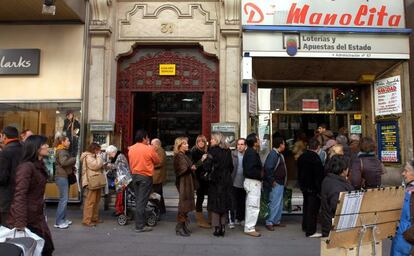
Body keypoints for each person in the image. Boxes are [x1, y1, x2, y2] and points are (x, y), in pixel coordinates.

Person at [7, 135, 54, 255]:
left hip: (36, 215)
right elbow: (20, 195)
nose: (47, 146)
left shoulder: (38, 165)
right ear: (37, 147)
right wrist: (20, 223)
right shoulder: (26, 167)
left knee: (45, 247)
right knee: (39, 249)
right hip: (27, 217)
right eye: (44, 144)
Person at [128, 129, 160, 233]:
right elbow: (157, 161)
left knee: (138, 200)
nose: (148, 140)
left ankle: (140, 222)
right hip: (145, 177)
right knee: (142, 201)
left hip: (134, 176)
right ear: (143, 138)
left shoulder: (131, 148)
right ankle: (140, 226)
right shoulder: (148, 149)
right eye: (147, 138)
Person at [203, 132, 233, 237]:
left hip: (215, 181)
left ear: (217, 140)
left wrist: (204, 160)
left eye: (212, 139)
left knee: (215, 205)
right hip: (226, 181)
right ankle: (223, 227)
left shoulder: (212, 151)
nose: (210, 141)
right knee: (224, 204)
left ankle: (216, 228)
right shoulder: (228, 151)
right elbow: (231, 167)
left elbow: (207, 167)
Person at [297, 138, 324, 238]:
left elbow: (299, 172)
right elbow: (319, 175)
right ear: (317, 147)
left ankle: (305, 226)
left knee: (306, 207)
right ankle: (311, 231)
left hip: (304, 186)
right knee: (313, 210)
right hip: (313, 188)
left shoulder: (302, 157)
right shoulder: (316, 158)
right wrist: (320, 189)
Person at [320, 155, 353, 237]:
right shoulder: (336, 185)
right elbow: (337, 207)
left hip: (331, 225)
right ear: (343, 170)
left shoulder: (330, 179)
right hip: (336, 228)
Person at [173, 137, 197, 237]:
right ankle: (179, 227)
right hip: (183, 182)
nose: (187, 145)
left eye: (187, 143)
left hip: (187, 182)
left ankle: (182, 226)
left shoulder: (184, 155)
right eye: (185, 144)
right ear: (179, 146)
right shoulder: (179, 156)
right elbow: (181, 170)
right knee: (183, 204)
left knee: (185, 204)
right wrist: (191, 168)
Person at [0, 126, 23, 226]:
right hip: (21, 193)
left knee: (6, 227)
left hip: (7, 195)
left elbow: (2, 177)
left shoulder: (5, 152)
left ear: (4, 136)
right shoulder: (24, 149)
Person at [390, 160, 414, 255]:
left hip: (406, 238)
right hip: (401, 236)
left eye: (406, 171)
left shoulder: (410, 192)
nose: (403, 173)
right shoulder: (406, 189)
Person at [263, 136, 287, 231]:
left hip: (279, 182)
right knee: (274, 203)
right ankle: (269, 222)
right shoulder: (273, 154)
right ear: (280, 145)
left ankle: (276, 220)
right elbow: (268, 168)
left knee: (279, 203)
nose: (285, 145)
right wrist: (272, 181)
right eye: (284, 143)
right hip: (276, 183)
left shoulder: (278, 154)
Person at [242, 133, 263, 237]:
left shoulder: (251, 152)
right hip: (253, 182)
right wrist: (261, 175)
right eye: (258, 139)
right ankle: (249, 228)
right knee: (253, 206)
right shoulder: (251, 153)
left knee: (251, 204)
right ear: (254, 142)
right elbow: (250, 170)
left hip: (253, 182)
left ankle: (250, 225)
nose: (259, 141)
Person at [54, 135, 76, 229]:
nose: (69, 142)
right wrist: (74, 159)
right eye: (67, 140)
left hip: (63, 176)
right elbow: (63, 162)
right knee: (63, 199)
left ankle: (62, 219)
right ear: (62, 142)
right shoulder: (62, 151)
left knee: (64, 199)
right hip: (62, 176)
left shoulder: (62, 150)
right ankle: (59, 222)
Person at [81, 143, 105, 227]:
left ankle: (94, 218)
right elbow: (95, 165)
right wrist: (99, 157)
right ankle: (87, 220)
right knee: (90, 201)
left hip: (95, 180)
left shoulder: (93, 156)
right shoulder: (88, 156)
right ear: (94, 149)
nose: (99, 152)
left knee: (96, 200)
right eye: (98, 150)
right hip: (91, 181)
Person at [190, 135, 211, 228]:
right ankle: (200, 220)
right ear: (197, 142)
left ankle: (210, 218)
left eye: (203, 141)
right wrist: (202, 159)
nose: (201, 143)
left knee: (210, 197)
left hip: (208, 178)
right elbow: (193, 167)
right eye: (199, 141)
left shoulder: (207, 150)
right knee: (200, 198)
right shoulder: (194, 151)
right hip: (199, 178)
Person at [104, 145, 131, 216]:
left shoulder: (120, 156)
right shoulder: (119, 156)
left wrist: (109, 166)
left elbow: (118, 167)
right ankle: (119, 209)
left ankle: (120, 210)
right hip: (120, 178)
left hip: (123, 179)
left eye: (109, 154)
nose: (109, 156)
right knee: (120, 194)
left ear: (113, 152)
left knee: (120, 195)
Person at [229, 138, 246, 229]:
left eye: (242, 144)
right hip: (233, 182)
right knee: (232, 202)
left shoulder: (247, 155)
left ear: (245, 145)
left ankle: (240, 218)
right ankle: (232, 219)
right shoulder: (232, 154)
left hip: (244, 183)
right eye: (238, 144)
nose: (239, 146)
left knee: (242, 202)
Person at [151, 138, 167, 214]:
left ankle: (158, 210)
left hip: (157, 176)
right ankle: (161, 209)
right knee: (159, 194)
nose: (150, 146)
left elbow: (160, 162)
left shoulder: (160, 151)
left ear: (157, 144)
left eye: (152, 144)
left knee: (156, 194)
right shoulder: (157, 150)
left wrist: (150, 164)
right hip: (157, 176)